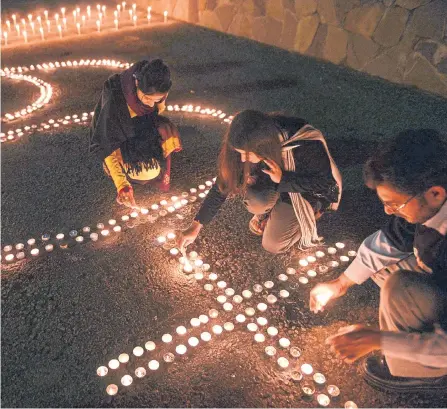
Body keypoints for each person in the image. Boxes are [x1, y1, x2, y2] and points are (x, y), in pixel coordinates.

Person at [310, 129, 447, 392]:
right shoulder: (430, 207)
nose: (388, 211)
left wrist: (379, 340)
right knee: (380, 266)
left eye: (395, 204)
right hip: (438, 274)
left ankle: (421, 375)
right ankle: (416, 337)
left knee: (399, 285)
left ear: (435, 193)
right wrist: (340, 283)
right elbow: (388, 242)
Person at [178, 110, 342, 254]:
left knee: (273, 245)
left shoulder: (303, 143)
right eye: (240, 153)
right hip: (274, 182)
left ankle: (314, 213)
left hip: (303, 191)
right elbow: (223, 184)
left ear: (265, 147)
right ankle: (269, 211)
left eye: (247, 154)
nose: (243, 158)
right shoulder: (242, 141)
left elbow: (324, 182)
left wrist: (283, 179)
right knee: (256, 202)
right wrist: (195, 226)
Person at [89, 58, 182, 208]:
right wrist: (122, 185)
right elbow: (106, 144)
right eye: (146, 98)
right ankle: (113, 168)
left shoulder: (156, 87)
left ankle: (144, 156)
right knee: (145, 173)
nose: (150, 104)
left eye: (156, 99)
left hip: (138, 129)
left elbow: (156, 112)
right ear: (137, 84)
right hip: (117, 138)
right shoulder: (116, 103)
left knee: (165, 130)